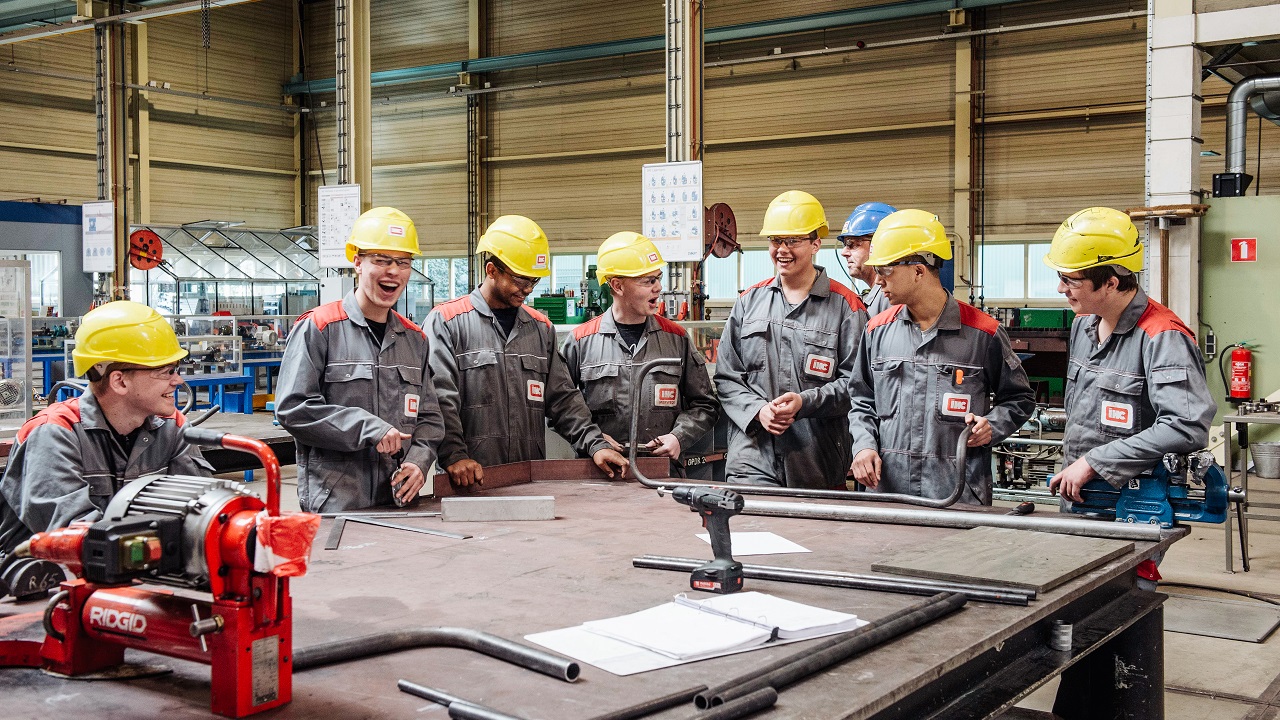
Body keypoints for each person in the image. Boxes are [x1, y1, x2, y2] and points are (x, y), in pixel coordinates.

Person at [849, 209, 1035, 505]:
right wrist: (863, 446)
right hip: (888, 492)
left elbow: (1020, 400)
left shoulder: (983, 334)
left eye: (885, 270)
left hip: (957, 494)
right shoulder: (876, 331)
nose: (878, 280)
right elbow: (861, 399)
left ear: (918, 270)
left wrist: (992, 425)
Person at [428, 215, 629, 487]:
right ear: (491, 270)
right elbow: (440, 400)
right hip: (469, 480)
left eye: (534, 281)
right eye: (520, 279)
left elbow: (562, 399)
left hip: (528, 480)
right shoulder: (448, 322)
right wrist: (453, 455)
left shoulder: (539, 328)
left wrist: (595, 444)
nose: (528, 289)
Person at [0, 301, 212, 554]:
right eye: (166, 371)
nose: (178, 381)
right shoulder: (55, 433)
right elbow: (76, 540)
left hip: (139, 570)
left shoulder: (172, 427)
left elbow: (202, 511)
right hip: (44, 583)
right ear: (119, 381)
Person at [275, 206, 444, 512]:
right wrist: (368, 428)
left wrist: (419, 463)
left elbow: (430, 419)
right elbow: (293, 408)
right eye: (381, 260)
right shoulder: (320, 328)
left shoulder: (415, 339)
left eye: (403, 263)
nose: (393, 271)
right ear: (357, 262)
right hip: (336, 503)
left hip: (398, 502)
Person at [1044, 207, 1215, 504]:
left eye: (1071, 280)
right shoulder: (1084, 323)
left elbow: (1186, 426)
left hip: (1136, 500)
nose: (1061, 288)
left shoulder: (1163, 336)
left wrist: (1095, 461)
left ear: (1110, 283)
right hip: (1079, 493)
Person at [715, 190, 868, 488]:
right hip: (752, 453)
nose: (781, 250)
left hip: (815, 458)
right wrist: (758, 411)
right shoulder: (749, 302)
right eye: (775, 240)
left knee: (810, 534)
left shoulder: (846, 308)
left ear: (815, 244)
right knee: (750, 529)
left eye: (792, 241)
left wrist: (805, 402)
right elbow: (726, 376)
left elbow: (857, 385)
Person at [560, 232, 718, 467]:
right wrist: (593, 441)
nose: (659, 288)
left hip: (661, 472)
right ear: (617, 286)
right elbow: (560, 404)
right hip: (599, 472)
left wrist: (678, 437)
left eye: (658, 278)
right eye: (648, 281)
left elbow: (705, 404)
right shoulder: (581, 341)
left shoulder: (676, 339)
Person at [836, 201, 897, 316]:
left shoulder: (890, 298)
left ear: (880, 244)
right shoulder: (878, 296)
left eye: (851, 244)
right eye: (845, 245)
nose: (844, 253)